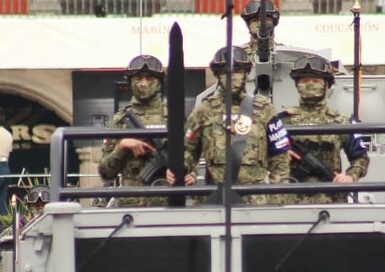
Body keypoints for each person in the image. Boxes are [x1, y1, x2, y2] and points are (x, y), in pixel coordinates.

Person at [170, 46, 290, 203]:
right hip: (215, 198)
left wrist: (276, 202)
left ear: (246, 73)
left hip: (255, 200)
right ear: (218, 75)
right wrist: (180, 170)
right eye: (225, 72)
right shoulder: (204, 110)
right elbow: (189, 149)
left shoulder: (264, 108)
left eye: (238, 71)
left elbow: (280, 158)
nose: (232, 76)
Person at [280, 54, 370, 204]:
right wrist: (280, 154)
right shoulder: (282, 120)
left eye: (316, 80)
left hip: (331, 199)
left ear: (326, 84)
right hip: (291, 199)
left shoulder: (341, 121)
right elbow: (263, 154)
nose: (310, 84)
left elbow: (361, 158)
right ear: (297, 85)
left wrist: (349, 177)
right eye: (304, 80)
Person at [98, 55, 169, 206]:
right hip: (131, 204)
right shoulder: (120, 120)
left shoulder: (173, 119)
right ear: (130, 82)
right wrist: (121, 146)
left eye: (149, 78)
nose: (143, 83)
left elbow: (191, 157)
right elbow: (105, 173)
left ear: (159, 82)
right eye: (138, 78)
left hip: (168, 201)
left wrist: (190, 173)